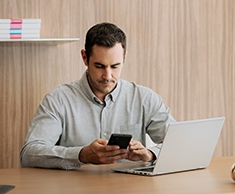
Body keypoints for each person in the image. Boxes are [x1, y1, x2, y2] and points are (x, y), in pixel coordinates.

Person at [20, 22, 176, 170]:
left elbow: (180, 144)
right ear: (85, 58)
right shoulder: (58, 100)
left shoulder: (145, 99)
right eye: (99, 66)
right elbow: (29, 154)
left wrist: (150, 154)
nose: (107, 76)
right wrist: (81, 155)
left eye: (115, 66)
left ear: (125, 57)